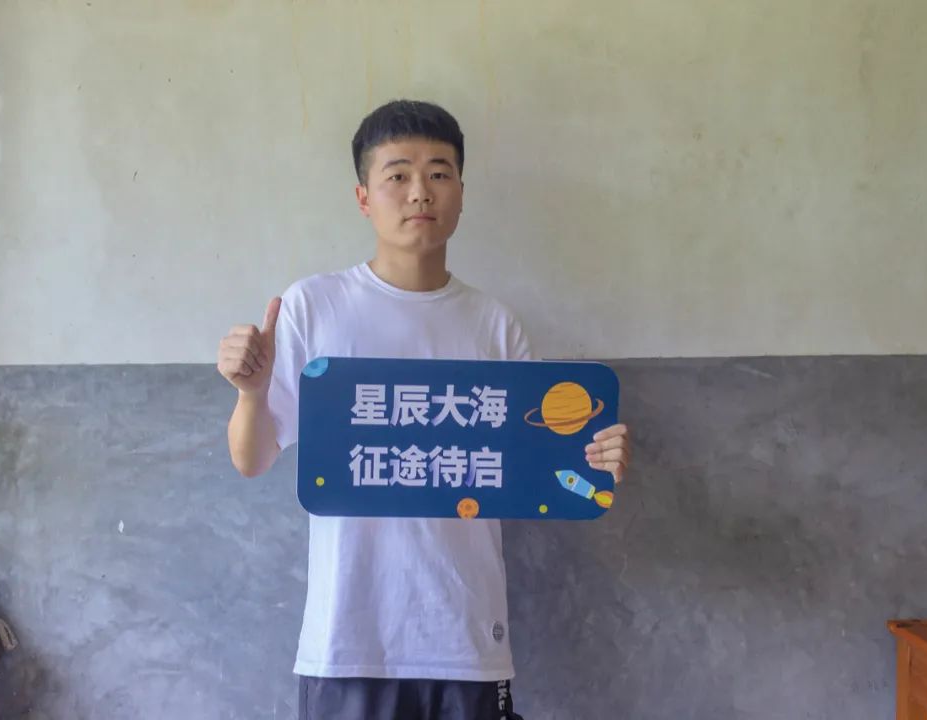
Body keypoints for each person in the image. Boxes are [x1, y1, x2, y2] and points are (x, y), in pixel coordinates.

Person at [217, 99, 630, 720]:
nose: (420, 192)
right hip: (347, 644)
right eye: (398, 175)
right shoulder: (314, 307)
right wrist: (251, 392)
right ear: (363, 197)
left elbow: (545, 467)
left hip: (466, 641)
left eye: (440, 173)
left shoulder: (494, 325)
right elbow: (251, 459)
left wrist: (598, 459)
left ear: (461, 193)